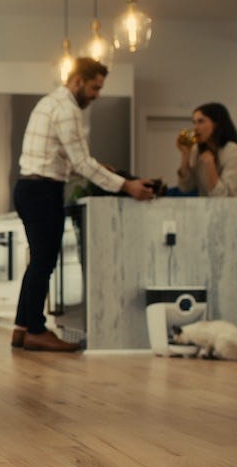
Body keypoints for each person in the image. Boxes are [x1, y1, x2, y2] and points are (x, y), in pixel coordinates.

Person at [13, 57, 155, 352]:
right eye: (94, 87)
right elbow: (81, 162)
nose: (97, 95)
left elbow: (66, 159)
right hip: (43, 191)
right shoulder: (68, 109)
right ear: (77, 80)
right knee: (43, 262)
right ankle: (36, 330)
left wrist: (103, 171)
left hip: (29, 187)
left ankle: (22, 328)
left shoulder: (49, 102)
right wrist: (127, 185)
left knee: (38, 261)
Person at [175, 102, 237, 281]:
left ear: (217, 123)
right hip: (221, 230)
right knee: (220, 284)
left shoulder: (234, 151)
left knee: (235, 287)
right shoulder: (196, 151)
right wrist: (185, 156)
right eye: (194, 122)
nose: (196, 127)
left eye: (201, 121)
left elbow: (221, 196)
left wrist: (210, 164)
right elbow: (185, 186)